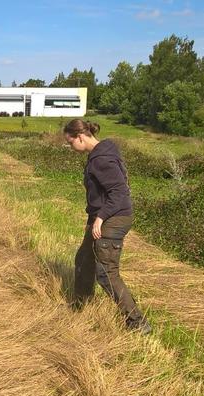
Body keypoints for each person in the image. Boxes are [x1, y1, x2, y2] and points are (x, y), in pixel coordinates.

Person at [63, 119, 151, 334]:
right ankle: (80, 307)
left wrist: (100, 217)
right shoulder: (103, 152)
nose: (70, 147)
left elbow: (119, 193)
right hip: (103, 216)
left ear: (80, 137)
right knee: (84, 260)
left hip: (113, 218)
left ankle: (137, 322)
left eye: (70, 142)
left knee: (106, 272)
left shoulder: (101, 160)